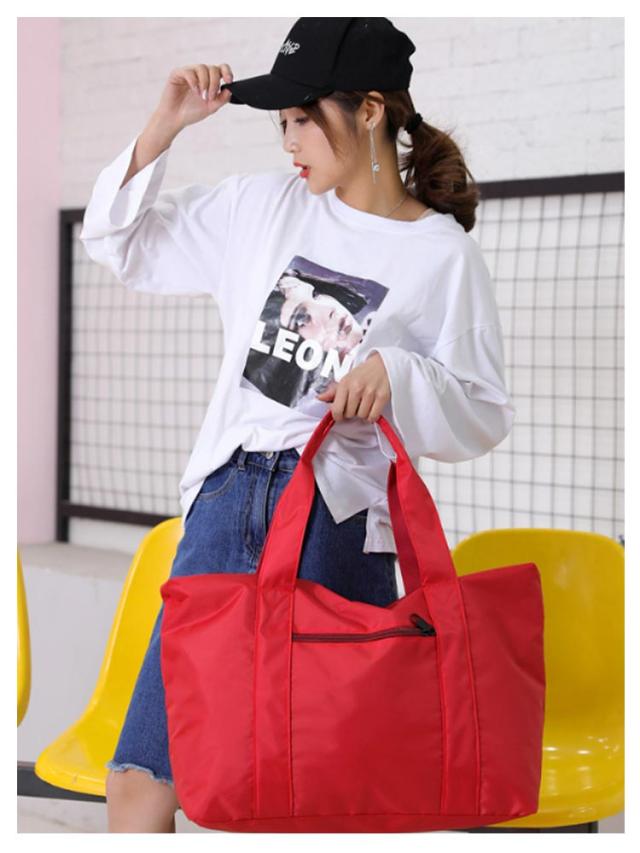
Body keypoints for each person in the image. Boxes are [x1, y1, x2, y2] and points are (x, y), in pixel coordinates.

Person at [79, 17, 516, 833]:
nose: (289, 142)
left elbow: (483, 411)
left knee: (314, 786)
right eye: (280, 122)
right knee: (143, 777)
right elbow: (119, 243)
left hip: (335, 520)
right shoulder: (260, 207)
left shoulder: (440, 254)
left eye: (302, 119)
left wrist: (399, 375)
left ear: (371, 110)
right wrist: (164, 125)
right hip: (225, 502)